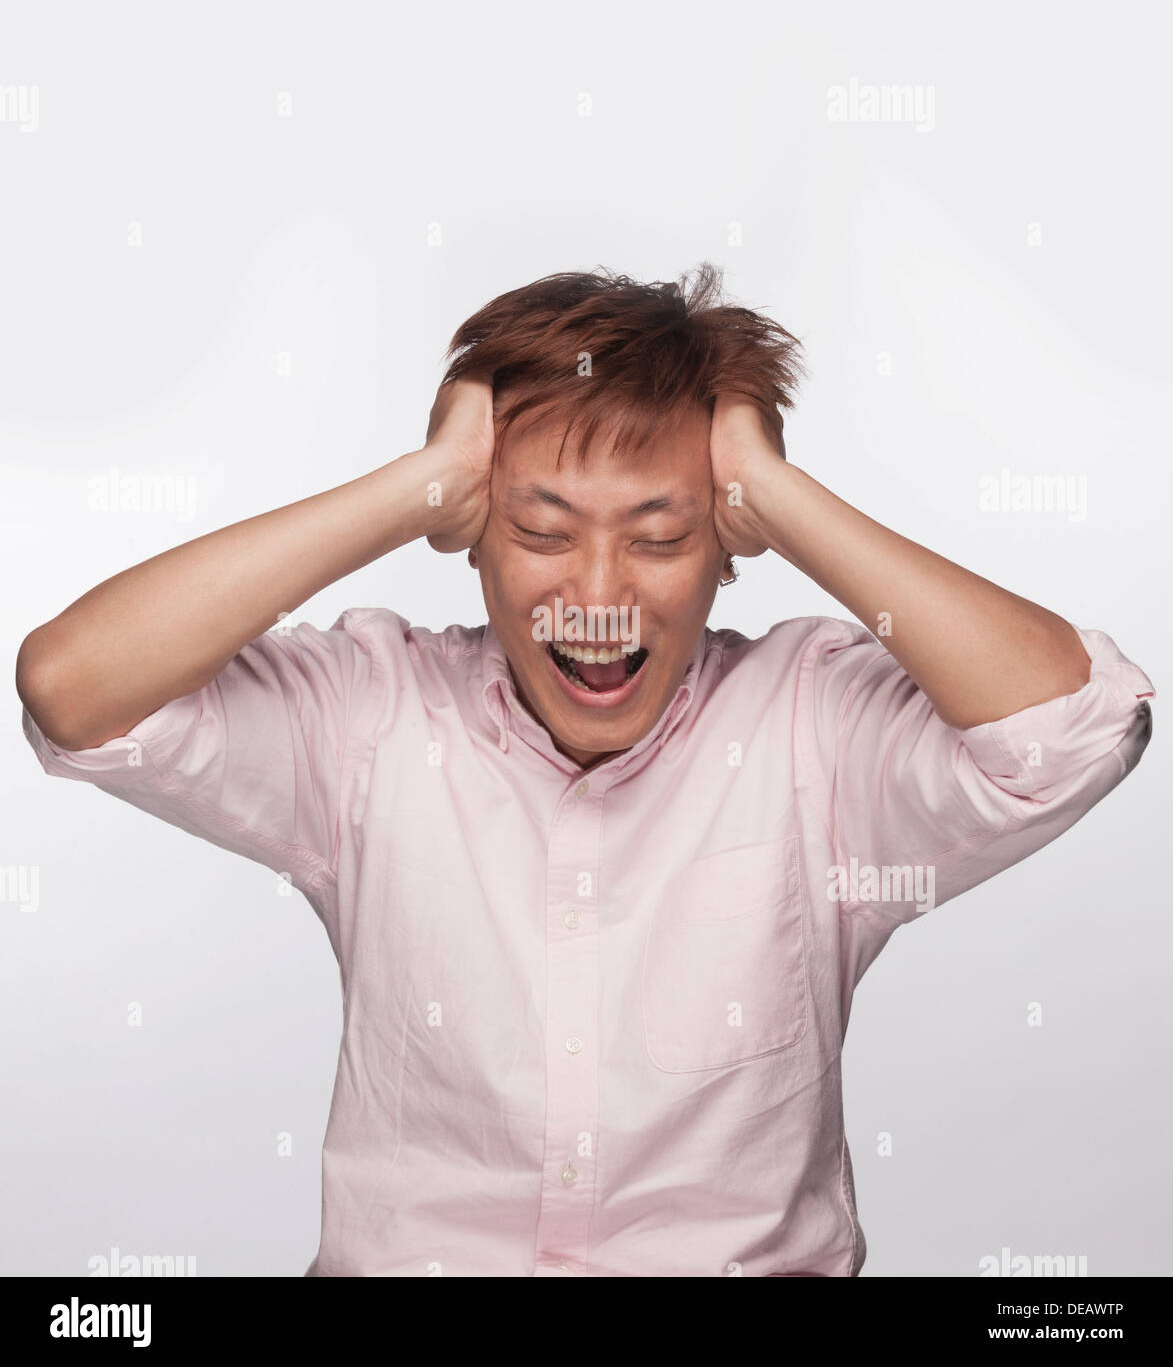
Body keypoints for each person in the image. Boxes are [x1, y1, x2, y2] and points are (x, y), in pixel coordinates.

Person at [16, 264, 1155, 1277]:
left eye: (661, 536)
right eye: (544, 529)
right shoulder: (369, 712)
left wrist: (776, 489)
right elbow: (74, 685)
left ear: (727, 545)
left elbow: (1072, 730)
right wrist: (419, 482)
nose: (599, 593)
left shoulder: (815, 722)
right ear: (469, 529)